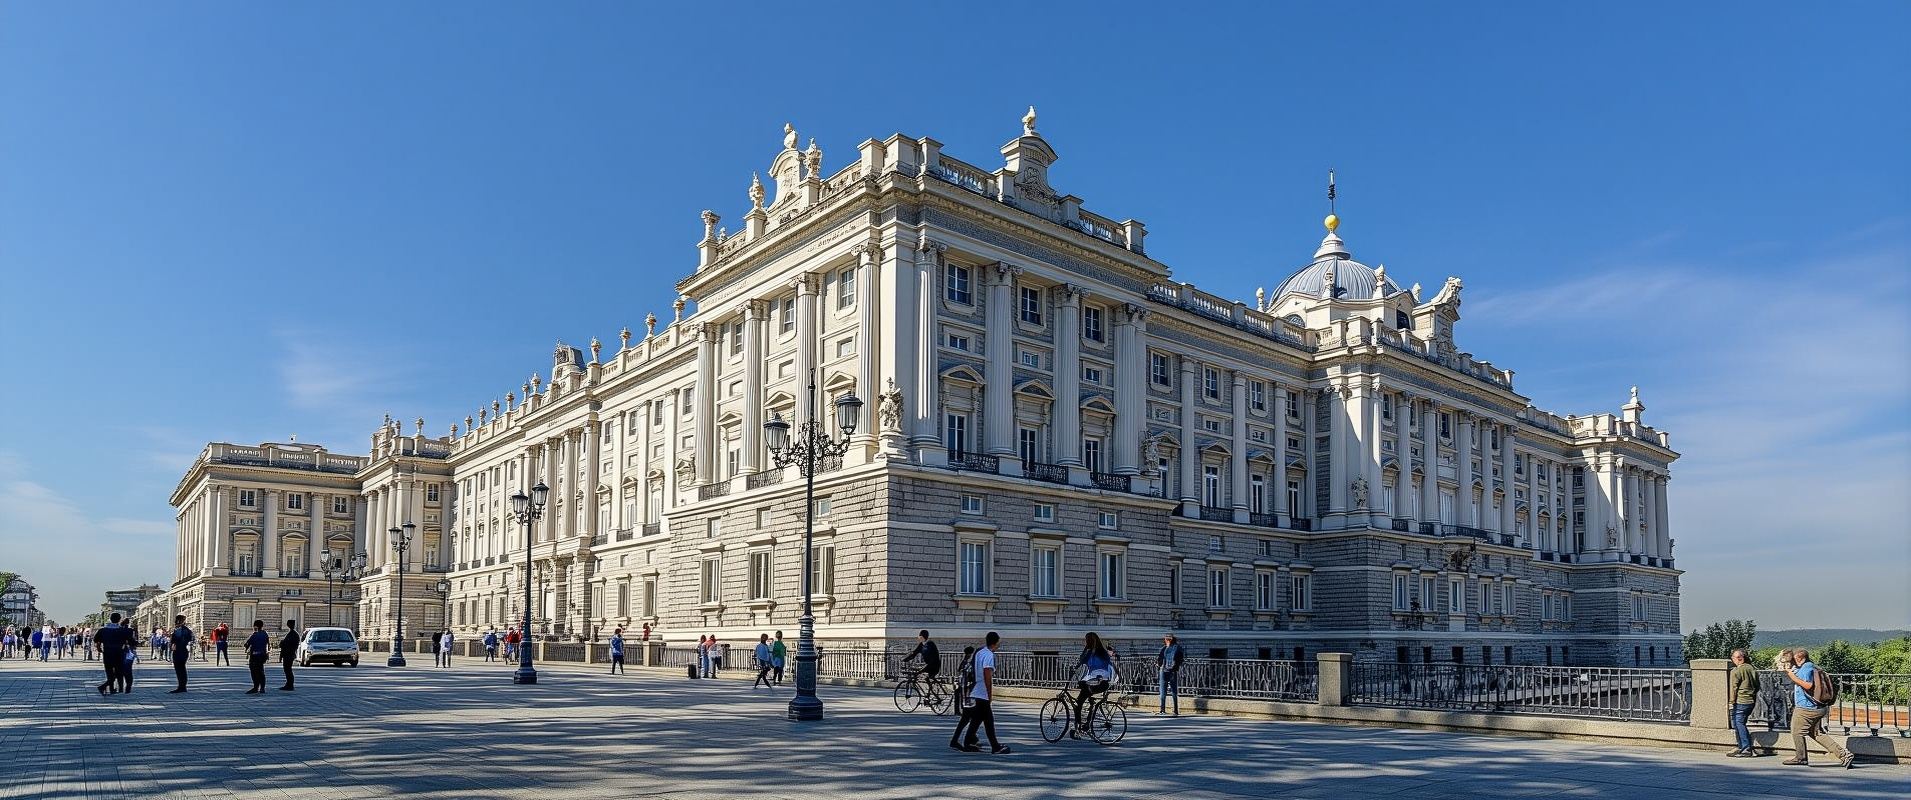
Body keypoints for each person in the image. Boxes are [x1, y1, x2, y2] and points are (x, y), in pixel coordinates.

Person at [1782, 648, 1853, 768]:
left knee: (1796, 731)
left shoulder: (1806, 668)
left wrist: (1791, 676)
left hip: (1806, 707)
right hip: (1818, 706)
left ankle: (1801, 758)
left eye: (1794, 658)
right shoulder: (1811, 666)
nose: (1792, 661)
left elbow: (1808, 685)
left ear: (1799, 658)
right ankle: (1844, 755)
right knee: (1816, 733)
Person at [950, 632, 1008, 754]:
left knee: (976, 718)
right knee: (988, 720)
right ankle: (995, 746)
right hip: (982, 691)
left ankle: (968, 742)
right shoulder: (989, 655)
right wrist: (989, 693)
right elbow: (987, 674)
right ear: (996, 642)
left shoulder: (980, 651)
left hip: (974, 690)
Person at [1071, 632, 1120, 736]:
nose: (1085, 642)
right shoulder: (1102, 651)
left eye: (1086, 640)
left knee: (1079, 702)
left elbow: (1082, 660)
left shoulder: (1092, 652)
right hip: (1101, 683)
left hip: (1096, 683)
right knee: (1084, 695)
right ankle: (1086, 724)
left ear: (1089, 641)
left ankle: (1078, 728)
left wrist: (1085, 651)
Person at [1727, 648, 1759, 757]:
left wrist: (1731, 701)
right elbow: (1757, 685)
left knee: (1738, 723)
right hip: (1751, 699)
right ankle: (1742, 747)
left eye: (1733, 657)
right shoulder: (1751, 668)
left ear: (1740, 658)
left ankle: (1745, 748)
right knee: (1739, 722)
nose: (1732, 660)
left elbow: (1734, 687)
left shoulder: (1736, 671)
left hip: (1741, 700)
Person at [93, 614, 132, 696]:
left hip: (107, 652)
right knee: (119, 672)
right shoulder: (122, 630)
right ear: (119, 620)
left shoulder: (103, 630)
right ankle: (119, 688)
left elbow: (96, 639)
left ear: (110, 619)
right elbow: (130, 641)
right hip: (119, 653)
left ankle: (111, 689)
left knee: (109, 672)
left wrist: (99, 647)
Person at [1158, 633, 1185, 715]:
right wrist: (1176, 666)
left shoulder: (1164, 648)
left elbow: (1160, 659)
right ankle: (1175, 710)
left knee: (1163, 690)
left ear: (1167, 640)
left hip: (1164, 670)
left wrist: (1160, 665)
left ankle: (1162, 709)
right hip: (1172, 670)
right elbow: (1180, 659)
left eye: (1166, 639)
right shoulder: (1178, 648)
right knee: (1173, 690)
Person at [168, 615, 195, 693]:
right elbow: (191, 639)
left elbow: (175, 640)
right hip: (183, 651)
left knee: (179, 669)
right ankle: (182, 686)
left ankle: (181, 687)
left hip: (179, 651)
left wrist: (173, 642)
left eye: (177, 621)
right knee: (182, 669)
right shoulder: (187, 630)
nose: (176, 622)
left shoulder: (179, 630)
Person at [243, 620, 270, 694]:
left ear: (256, 626)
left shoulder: (254, 635)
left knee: (254, 672)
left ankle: (255, 687)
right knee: (261, 671)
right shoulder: (265, 634)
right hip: (262, 655)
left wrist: (246, 646)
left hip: (254, 656)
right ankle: (262, 688)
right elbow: (268, 644)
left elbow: (247, 644)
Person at [279, 621, 300, 690]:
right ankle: (288, 684)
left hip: (289, 654)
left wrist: (283, 643)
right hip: (287, 654)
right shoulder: (291, 633)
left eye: (291, 624)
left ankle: (290, 685)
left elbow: (288, 644)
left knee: (288, 670)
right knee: (287, 670)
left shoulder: (293, 634)